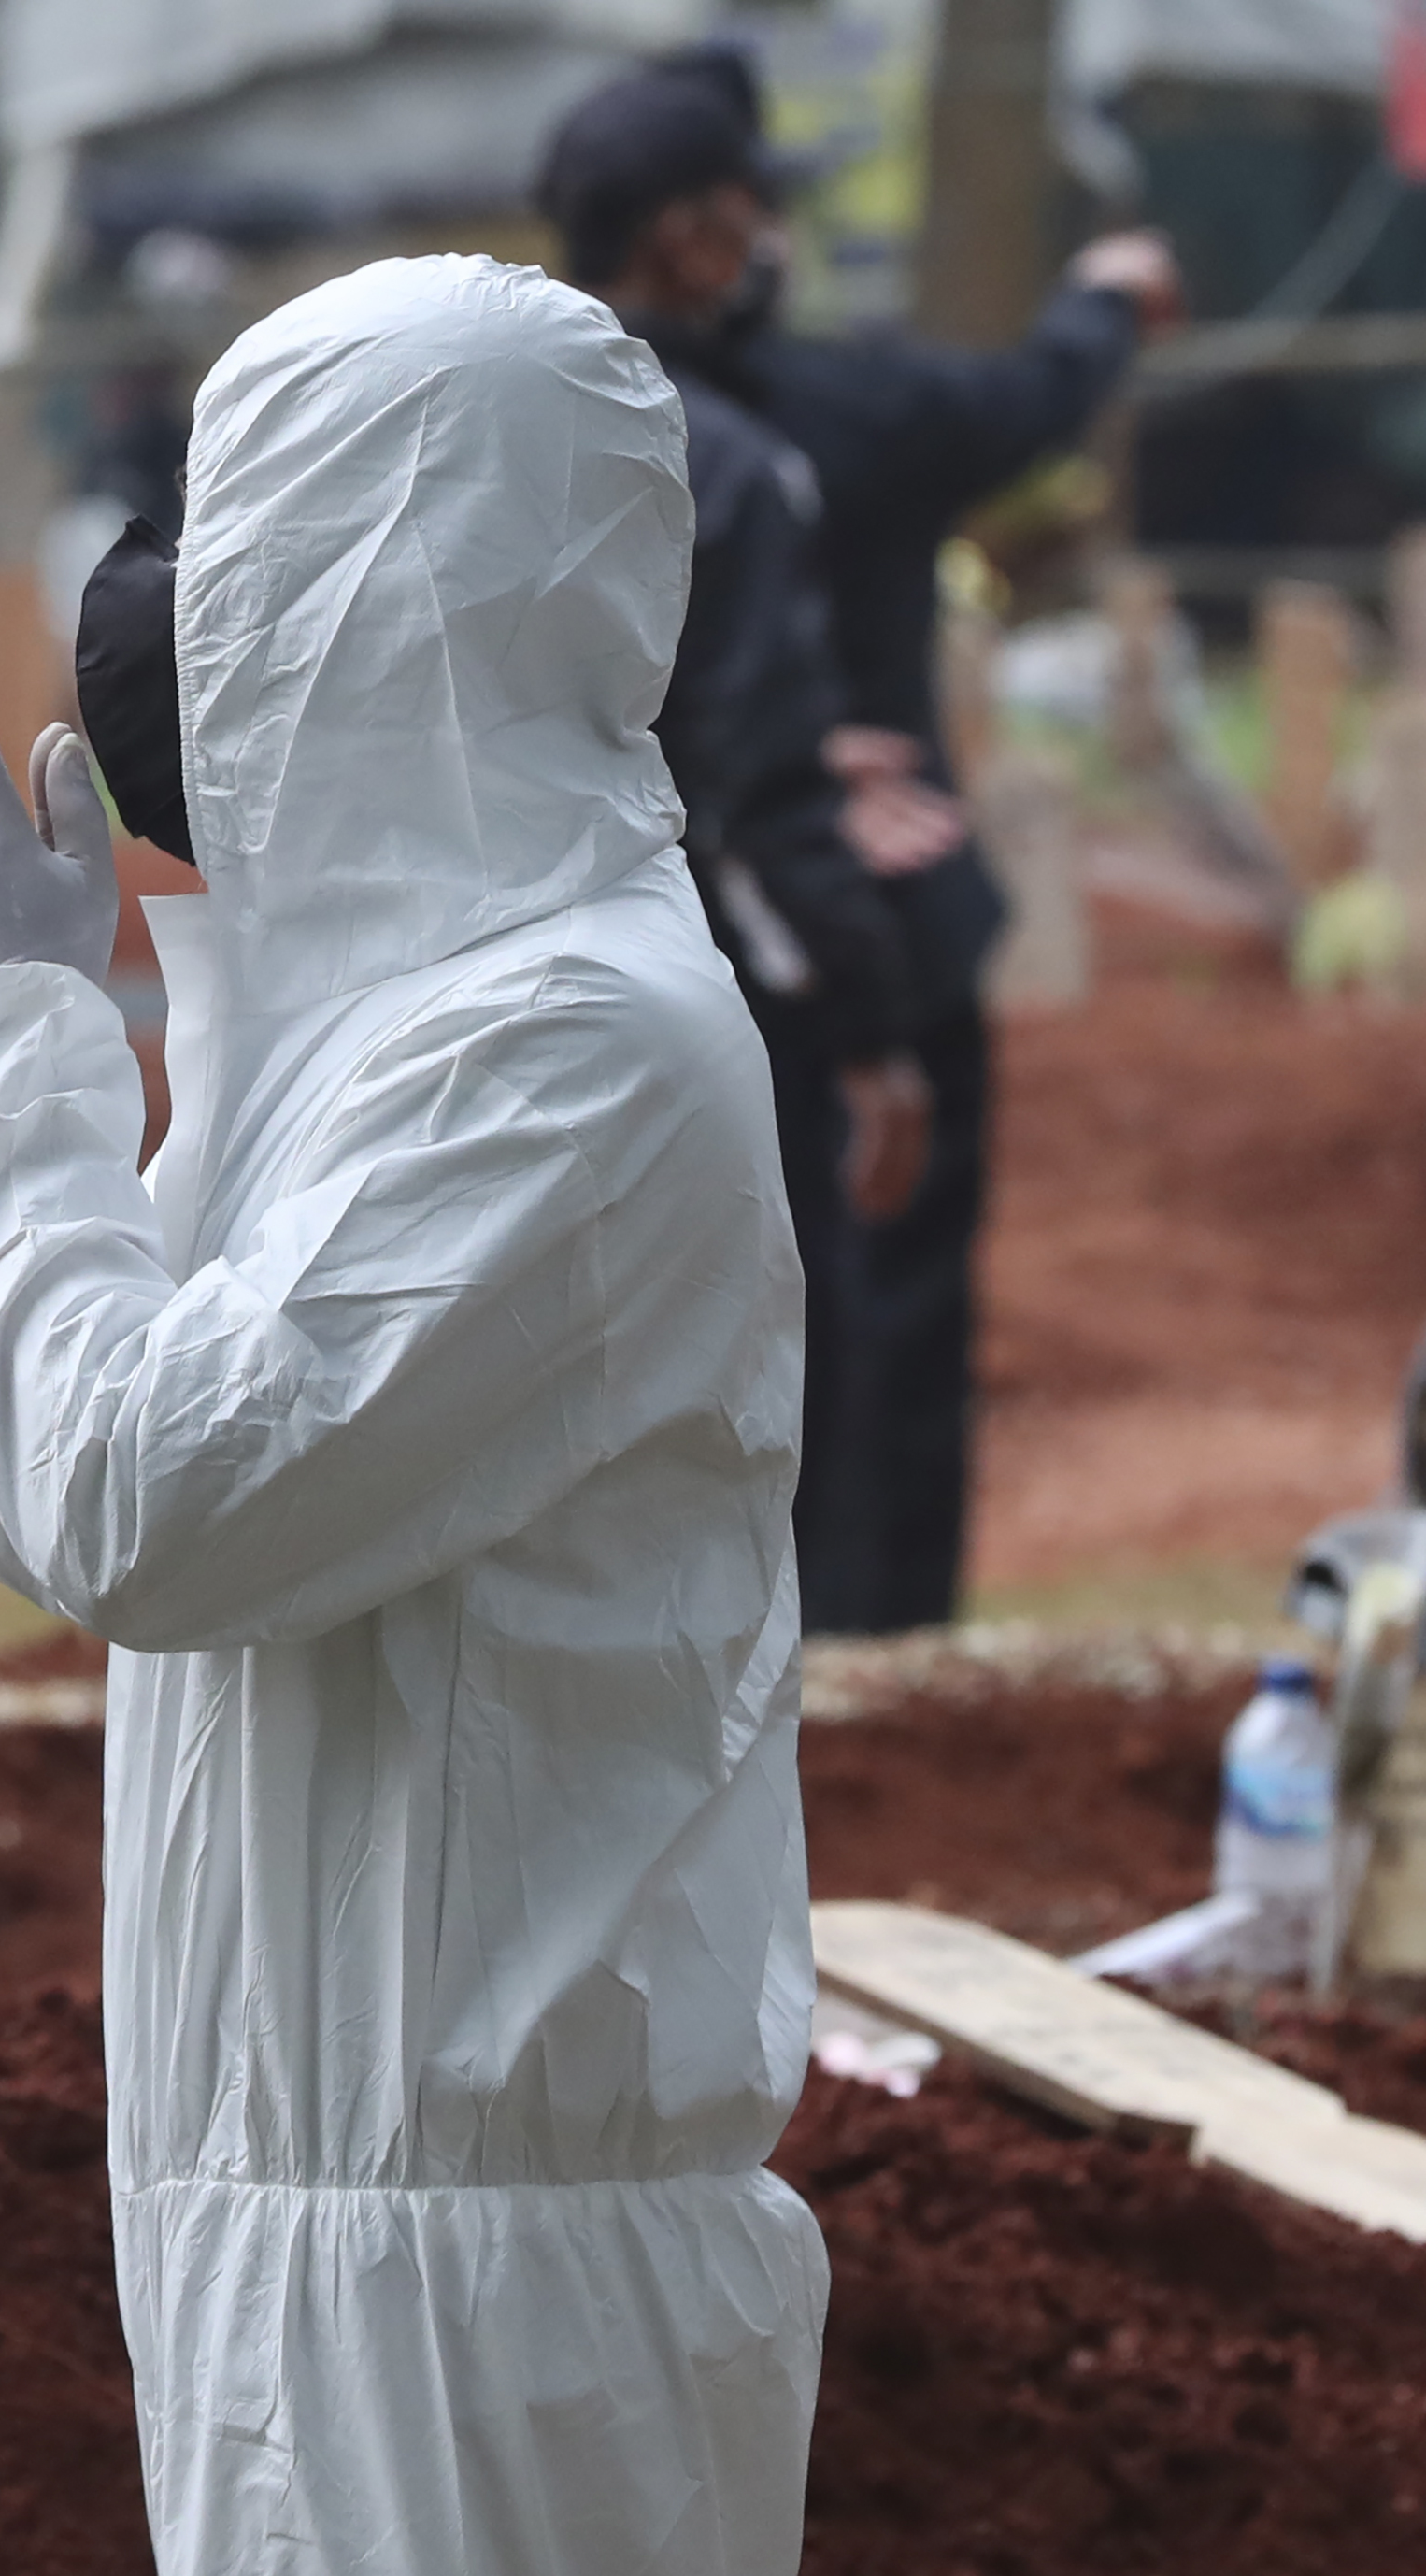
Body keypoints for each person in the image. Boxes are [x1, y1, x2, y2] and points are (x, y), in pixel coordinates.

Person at [0, 257, 826, 2576]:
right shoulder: (402, 1032)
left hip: (475, 2272)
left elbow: (147, 1493)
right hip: (315, 2220)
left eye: (231, 549)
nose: (166, 618)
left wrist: (2, 1038)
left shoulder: (569, 1052)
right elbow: (84, 1455)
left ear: (368, 585)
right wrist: (119, 1004)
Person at [614, 43, 1178, 1631]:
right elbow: (1024, 396)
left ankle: (773, 1652)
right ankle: (883, 1650)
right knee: (880, 1328)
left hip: (650, 941)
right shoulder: (808, 428)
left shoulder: (551, 440)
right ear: (694, 232)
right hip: (828, 921)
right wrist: (1109, 297)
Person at [542, 67, 930, 1614]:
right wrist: (874, 1025)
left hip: (479, 995)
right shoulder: (726, 462)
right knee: (772, 1387)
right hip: (692, 999)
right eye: (749, 213)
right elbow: (756, 795)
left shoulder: (491, 439)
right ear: (699, 238)